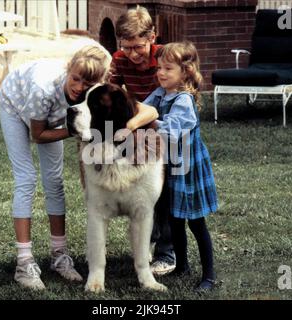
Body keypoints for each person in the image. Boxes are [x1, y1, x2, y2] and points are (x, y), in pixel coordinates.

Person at [0, 45, 158, 290]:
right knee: (26, 178)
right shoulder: (42, 89)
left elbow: (149, 110)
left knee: (54, 180)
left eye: (88, 83)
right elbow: (38, 134)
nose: (79, 87)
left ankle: (59, 256)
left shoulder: (91, 91)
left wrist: (129, 124)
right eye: (75, 79)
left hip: (53, 115)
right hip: (16, 102)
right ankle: (24, 262)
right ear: (68, 69)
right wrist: (76, 130)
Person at [143, 42, 219, 291]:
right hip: (171, 167)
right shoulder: (160, 93)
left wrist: (151, 121)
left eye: (168, 68)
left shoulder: (183, 100)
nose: (161, 73)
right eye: (159, 68)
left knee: (196, 222)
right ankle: (182, 266)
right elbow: (143, 108)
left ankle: (208, 276)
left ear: (185, 72)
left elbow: (170, 132)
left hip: (188, 169)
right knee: (174, 219)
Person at [109, 5, 176, 276]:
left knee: (165, 194)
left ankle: (166, 252)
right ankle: (146, 240)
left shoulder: (165, 58)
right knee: (142, 190)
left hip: (168, 129)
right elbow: (111, 92)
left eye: (138, 47)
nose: (132, 54)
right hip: (139, 133)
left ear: (152, 37)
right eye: (126, 47)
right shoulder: (119, 59)